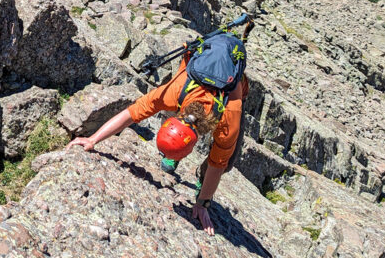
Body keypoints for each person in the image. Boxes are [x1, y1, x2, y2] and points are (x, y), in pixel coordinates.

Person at [67, 51, 249, 234]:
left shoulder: (228, 122)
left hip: (233, 83)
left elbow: (218, 164)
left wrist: (203, 203)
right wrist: (93, 139)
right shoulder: (172, 93)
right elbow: (132, 112)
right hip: (196, 68)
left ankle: (201, 180)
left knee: (227, 159)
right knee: (168, 106)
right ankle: (174, 153)